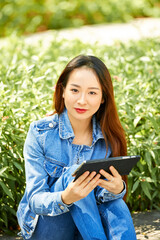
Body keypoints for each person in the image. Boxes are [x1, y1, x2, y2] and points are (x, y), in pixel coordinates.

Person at [17, 55, 137, 240]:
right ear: (62, 91)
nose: (82, 101)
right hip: (49, 227)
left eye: (92, 93)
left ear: (103, 98)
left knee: (116, 203)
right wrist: (66, 197)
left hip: (87, 226)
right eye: (75, 90)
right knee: (74, 173)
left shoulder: (109, 137)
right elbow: (35, 199)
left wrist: (117, 188)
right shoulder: (40, 133)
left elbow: (103, 198)